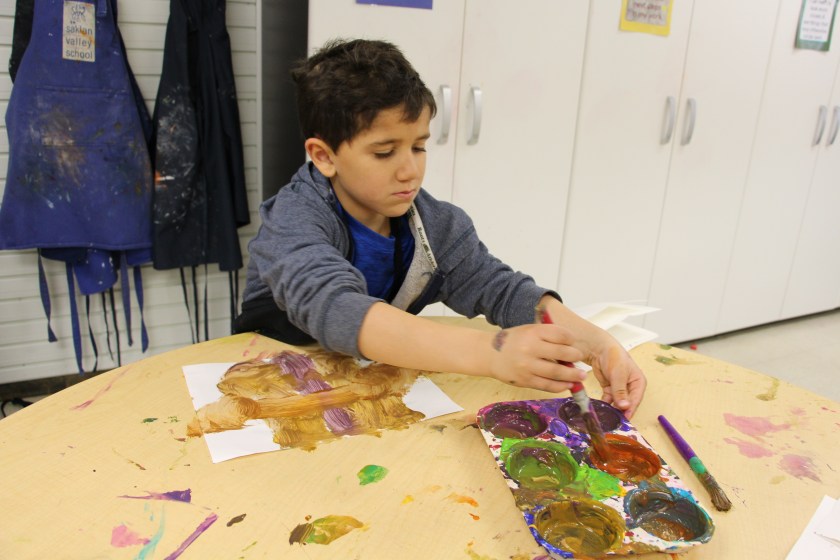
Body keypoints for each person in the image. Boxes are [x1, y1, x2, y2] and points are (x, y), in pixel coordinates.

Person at [233, 38, 646, 418]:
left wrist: (597, 344)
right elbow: (337, 307)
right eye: (384, 152)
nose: (410, 170)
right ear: (324, 156)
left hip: (367, 386)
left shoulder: (436, 226)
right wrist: (491, 353)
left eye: (418, 146)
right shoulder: (292, 219)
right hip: (269, 386)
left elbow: (502, 290)